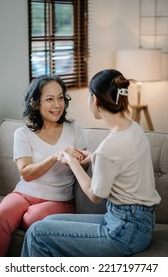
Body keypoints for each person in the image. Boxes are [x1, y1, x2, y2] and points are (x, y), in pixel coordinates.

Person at [21, 69, 161, 257]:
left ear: (95, 100)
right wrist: (92, 156)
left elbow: (94, 195)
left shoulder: (109, 148)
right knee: (49, 221)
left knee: (37, 234)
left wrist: (72, 161)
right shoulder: (134, 129)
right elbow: (121, 158)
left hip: (123, 233)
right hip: (136, 222)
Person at [0, 74, 86, 257]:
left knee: (33, 218)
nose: (57, 105)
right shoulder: (22, 133)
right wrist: (54, 157)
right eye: (49, 99)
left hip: (59, 199)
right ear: (35, 103)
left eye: (60, 98)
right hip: (23, 194)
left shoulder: (74, 128)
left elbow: (83, 168)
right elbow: (26, 174)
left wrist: (75, 160)